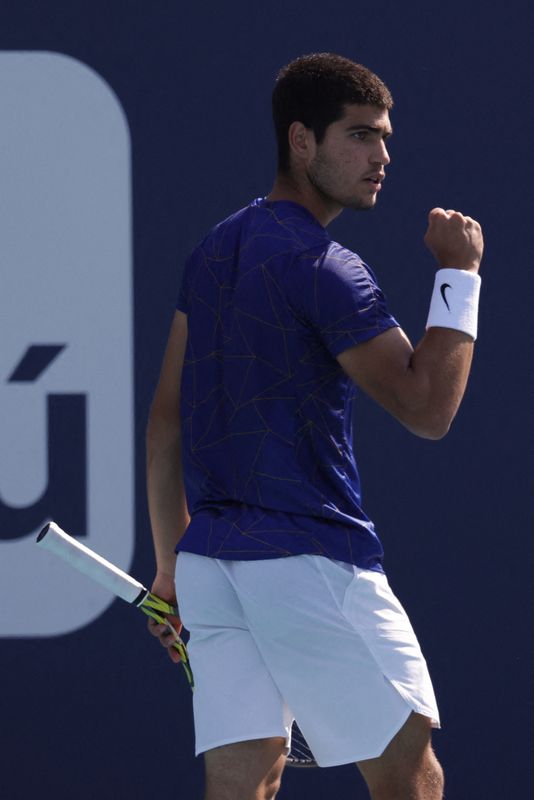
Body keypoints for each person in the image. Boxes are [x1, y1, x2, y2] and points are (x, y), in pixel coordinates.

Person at [146, 52, 483, 800]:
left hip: (212, 571)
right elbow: (428, 410)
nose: (382, 156)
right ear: (302, 142)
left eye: (386, 138)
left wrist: (171, 566)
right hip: (307, 564)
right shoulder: (325, 266)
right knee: (409, 774)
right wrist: (460, 278)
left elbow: (164, 421)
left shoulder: (212, 253)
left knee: (242, 786)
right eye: (361, 135)